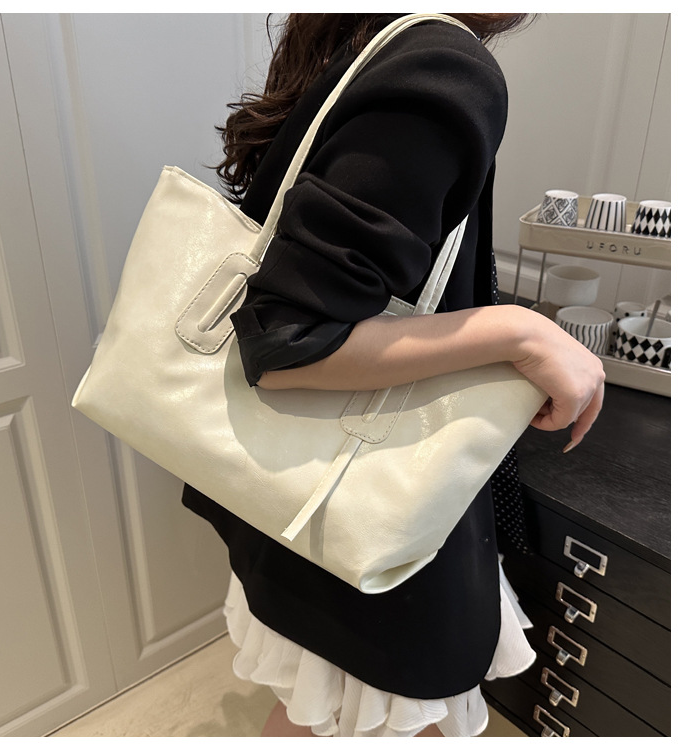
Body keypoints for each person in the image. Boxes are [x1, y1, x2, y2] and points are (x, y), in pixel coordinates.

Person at [182, 13, 605, 737]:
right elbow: (289, 342)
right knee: (378, 712)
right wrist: (520, 331)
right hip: (364, 514)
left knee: (319, 713)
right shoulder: (442, 63)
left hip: (296, 490)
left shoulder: (362, 42)